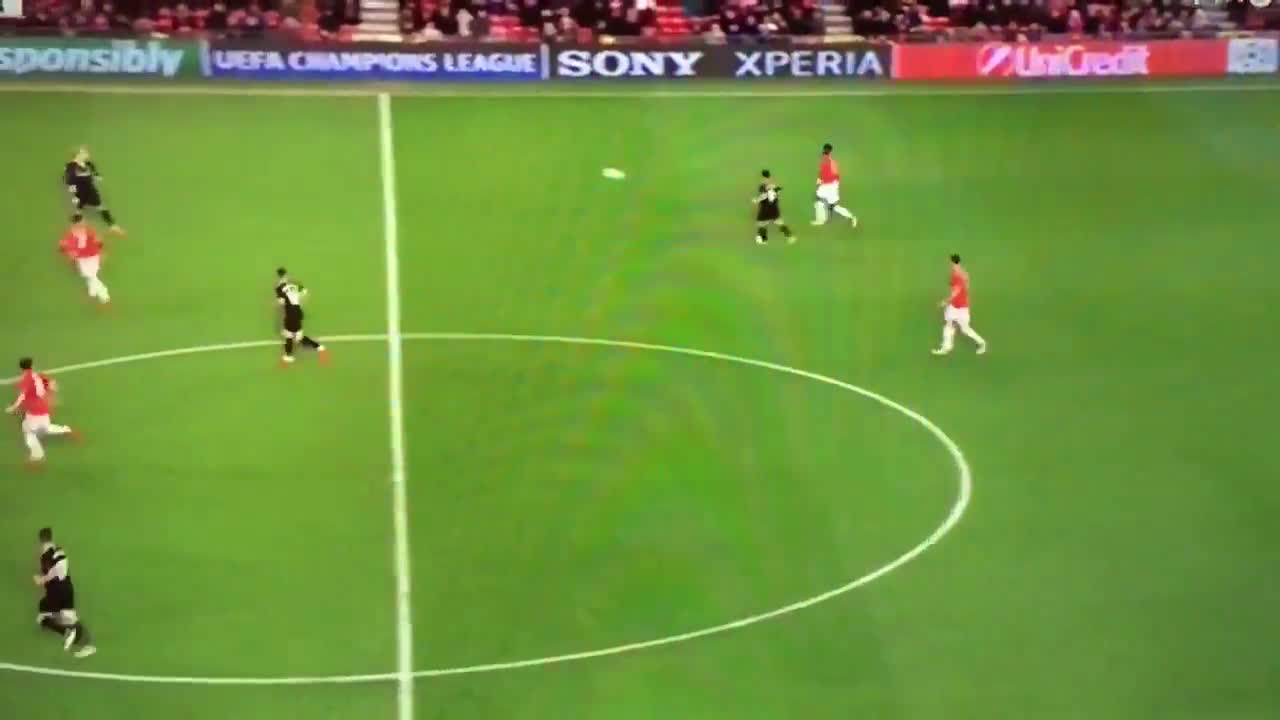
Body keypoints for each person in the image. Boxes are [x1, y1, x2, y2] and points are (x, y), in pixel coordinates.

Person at [34, 527, 97, 659]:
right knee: (70, 618)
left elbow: (59, 570)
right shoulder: (58, 551)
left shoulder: (48, 554)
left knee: (43, 617)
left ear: (41, 541)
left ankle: (66, 632)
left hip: (57, 591)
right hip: (67, 589)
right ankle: (88, 645)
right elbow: (61, 569)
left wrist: (42, 579)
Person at [4, 358, 75, 464]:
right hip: (43, 409)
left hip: (33, 412)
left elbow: (22, 396)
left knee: (29, 432)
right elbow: (52, 384)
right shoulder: (38, 376)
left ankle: (37, 455)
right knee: (45, 427)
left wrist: (13, 407)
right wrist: (52, 396)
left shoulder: (25, 381)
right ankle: (65, 430)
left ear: (21, 368)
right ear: (32, 366)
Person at [932, 254, 987, 356]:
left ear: (952, 262)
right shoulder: (962, 273)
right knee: (949, 323)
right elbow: (958, 288)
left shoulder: (957, 276)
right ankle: (946, 347)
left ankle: (982, 343)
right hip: (956, 306)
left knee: (965, 330)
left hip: (961, 308)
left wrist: (945, 302)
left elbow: (955, 293)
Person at [63, 147, 125, 236]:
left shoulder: (87, 163)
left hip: (91, 189)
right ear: (78, 155)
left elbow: (93, 170)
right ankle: (76, 231)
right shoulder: (71, 167)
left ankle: (113, 227)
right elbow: (70, 182)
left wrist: (96, 175)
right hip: (81, 191)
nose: (87, 154)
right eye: (84, 153)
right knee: (80, 208)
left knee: (99, 207)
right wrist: (74, 196)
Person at [276, 268, 329, 365]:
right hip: (298, 311)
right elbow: (305, 292)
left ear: (278, 276)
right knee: (295, 335)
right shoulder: (294, 284)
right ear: (286, 275)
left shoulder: (279, 288)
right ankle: (319, 347)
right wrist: (298, 302)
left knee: (290, 335)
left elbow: (281, 302)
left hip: (291, 313)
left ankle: (289, 356)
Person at [59, 215, 111, 305]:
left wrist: (102, 253)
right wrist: (70, 254)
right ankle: (93, 291)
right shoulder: (72, 233)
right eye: (81, 222)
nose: (83, 223)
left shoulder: (88, 231)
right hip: (82, 258)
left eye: (82, 222)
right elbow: (63, 246)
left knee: (91, 275)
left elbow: (99, 242)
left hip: (92, 256)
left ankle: (104, 294)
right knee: (90, 275)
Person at [812, 143, 857, 228]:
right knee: (834, 206)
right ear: (830, 151)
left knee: (818, 200)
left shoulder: (824, 161)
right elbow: (836, 174)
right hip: (834, 185)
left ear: (823, 150)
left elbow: (822, 175)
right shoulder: (833, 162)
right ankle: (851, 217)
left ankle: (820, 220)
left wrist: (819, 182)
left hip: (827, 185)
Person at [753, 170, 795, 245]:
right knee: (778, 222)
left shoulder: (763, 186)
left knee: (762, 223)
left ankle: (764, 239)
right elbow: (777, 194)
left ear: (762, 176)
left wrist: (756, 200)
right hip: (774, 207)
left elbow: (764, 196)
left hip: (766, 207)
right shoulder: (773, 185)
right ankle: (789, 236)